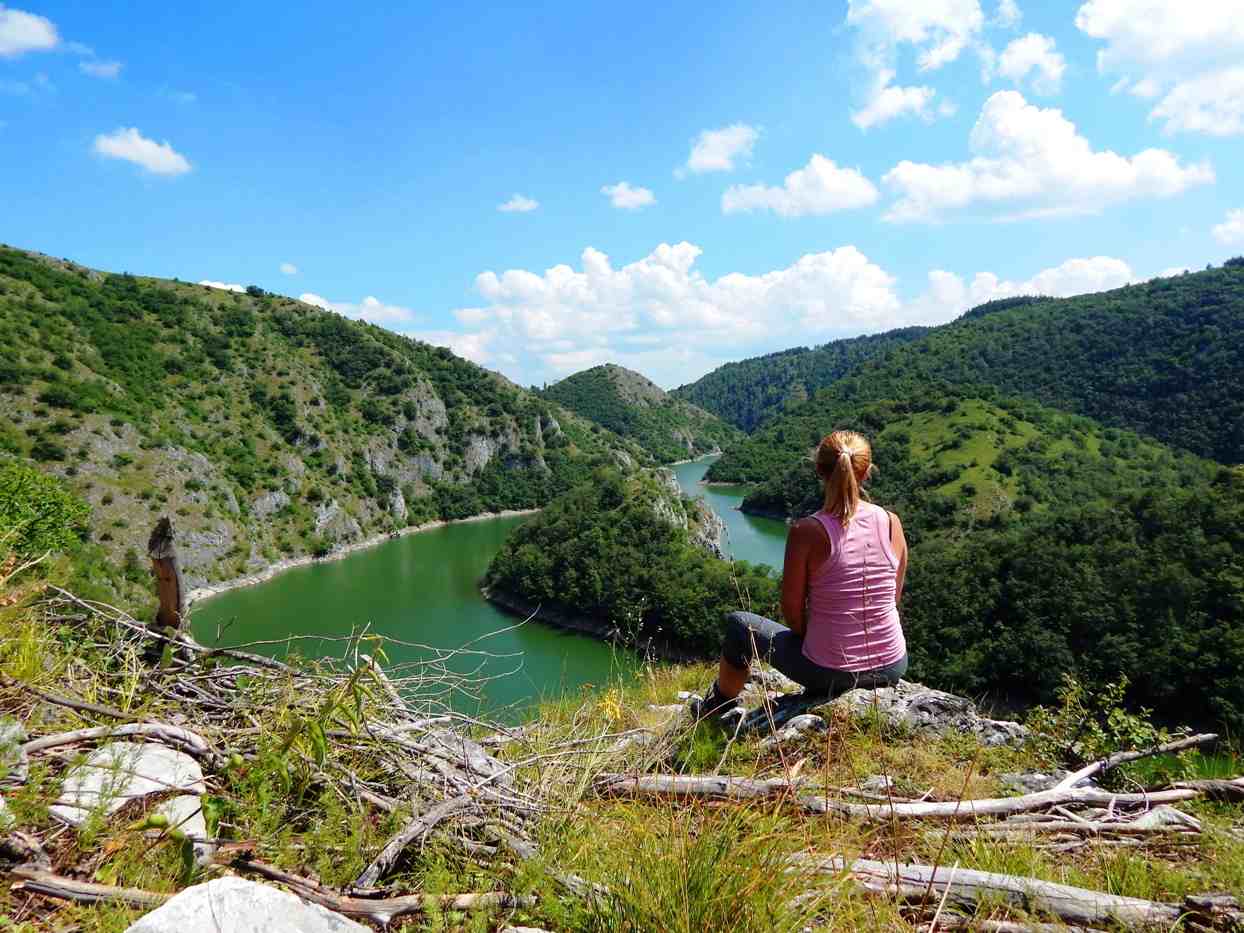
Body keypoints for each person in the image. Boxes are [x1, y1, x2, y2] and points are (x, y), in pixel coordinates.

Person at [695, 429, 909, 719]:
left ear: (819, 471)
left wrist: (820, 639)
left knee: (738, 625)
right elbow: (892, 597)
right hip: (893, 663)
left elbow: (792, 612)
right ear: (867, 472)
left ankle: (714, 707)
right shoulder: (891, 523)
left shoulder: (807, 531)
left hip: (830, 672)